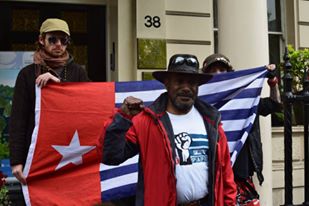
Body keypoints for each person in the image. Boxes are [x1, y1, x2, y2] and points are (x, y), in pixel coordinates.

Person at [101, 54, 236, 206]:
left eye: (191, 83)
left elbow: (226, 174)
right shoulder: (146, 121)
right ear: (166, 84)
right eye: (179, 81)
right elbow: (111, 156)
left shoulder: (211, 121)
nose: (186, 88)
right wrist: (123, 118)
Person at [9, 18, 89, 186]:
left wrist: (59, 86)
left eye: (64, 40)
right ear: (41, 40)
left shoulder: (78, 72)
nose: (59, 44)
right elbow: (18, 120)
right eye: (53, 39)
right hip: (36, 155)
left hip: (70, 155)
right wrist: (16, 160)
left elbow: (88, 107)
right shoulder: (27, 74)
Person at [202, 53, 282, 206]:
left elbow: (275, 104)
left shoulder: (245, 98)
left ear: (230, 73)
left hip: (241, 174)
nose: (218, 74)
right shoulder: (198, 101)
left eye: (222, 70)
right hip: (211, 177)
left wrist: (272, 82)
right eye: (213, 70)